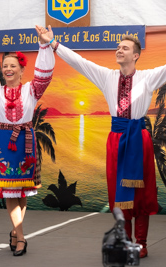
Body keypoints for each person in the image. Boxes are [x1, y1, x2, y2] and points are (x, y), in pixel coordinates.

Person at [36, 24, 162, 258]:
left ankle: (142, 243)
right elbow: (79, 62)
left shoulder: (148, 77)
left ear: (136, 55)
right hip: (116, 139)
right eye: (118, 47)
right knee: (118, 192)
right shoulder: (107, 76)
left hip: (138, 138)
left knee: (142, 192)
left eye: (124, 48)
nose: (119, 50)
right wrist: (53, 44)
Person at [0, 25, 55, 256]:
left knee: (21, 191)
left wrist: (45, 44)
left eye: (12, 66)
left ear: (21, 69)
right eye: (5, 65)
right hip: (4, 145)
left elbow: (45, 73)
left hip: (25, 142)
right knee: (9, 192)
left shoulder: (32, 90)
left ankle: (16, 233)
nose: (7, 69)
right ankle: (21, 236)